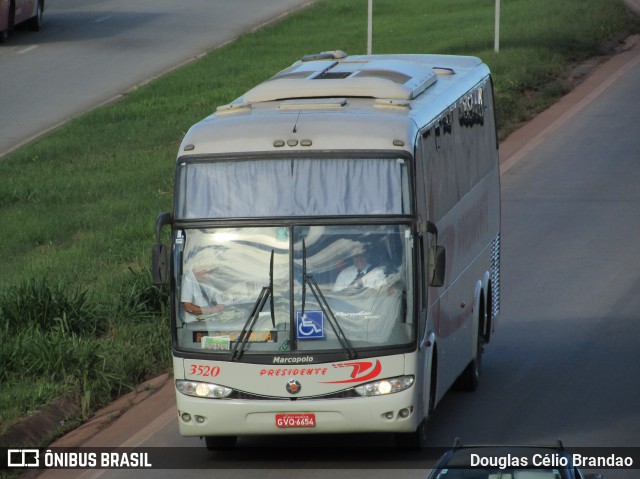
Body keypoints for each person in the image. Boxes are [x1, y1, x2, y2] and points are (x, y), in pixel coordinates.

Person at [181, 247, 225, 318]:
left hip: (210, 320)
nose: (208, 275)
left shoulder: (208, 280)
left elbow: (220, 303)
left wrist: (219, 307)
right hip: (194, 323)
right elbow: (188, 307)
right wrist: (211, 310)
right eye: (206, 271)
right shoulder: (188, 278)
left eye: (210, 272)